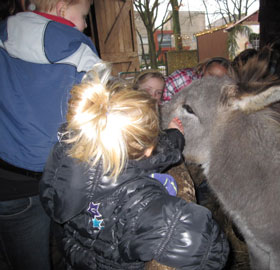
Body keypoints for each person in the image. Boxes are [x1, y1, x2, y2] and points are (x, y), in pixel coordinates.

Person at [39, 63, 229, 269]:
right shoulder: (139, 205)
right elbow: (211, 251)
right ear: (147, 148)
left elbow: (136, 161)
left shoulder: (62, 159)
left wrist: (173, 137)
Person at [0, 0, 100, 269]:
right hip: (63, 179)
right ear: (61, 9)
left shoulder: (3, 35)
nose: (86, 26)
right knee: (73, 250)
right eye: (84, 16)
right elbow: (102, 110)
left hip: (9, 184)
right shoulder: (78, 49)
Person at [162, 57, 236, 103]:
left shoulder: (222, 94)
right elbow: (163, 98)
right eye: (211, 74)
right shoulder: (184, 77)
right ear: (204, 68)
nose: (213, 80)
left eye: (219, 78)